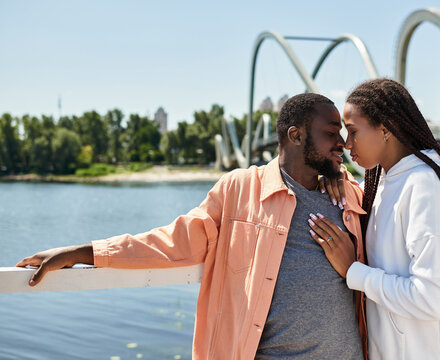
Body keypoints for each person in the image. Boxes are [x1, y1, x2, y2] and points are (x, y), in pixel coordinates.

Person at [16, 93, 368, 360]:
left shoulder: (349, 193)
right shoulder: (239, 190)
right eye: (331, 132)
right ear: (295, 135)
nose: (343, 143)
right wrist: (83, 252)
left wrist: (341, 174)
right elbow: (172, 242)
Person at [308, 78, 440, 360]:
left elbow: (432, 297)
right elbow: (410, 241)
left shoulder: (424, 183)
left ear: (385, 129)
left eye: (353, 131)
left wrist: (353, 271)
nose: (345, 143)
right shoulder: (387, 181)